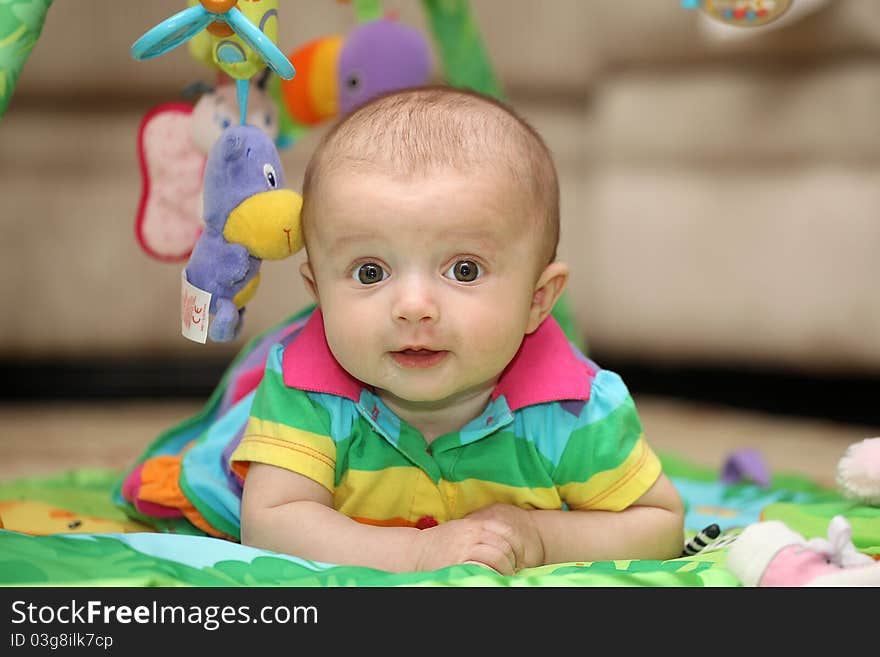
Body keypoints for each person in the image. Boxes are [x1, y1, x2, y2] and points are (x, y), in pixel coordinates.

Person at [231, 85, 684, 574]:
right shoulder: (304, 388)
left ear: (537, 301)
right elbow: (268, 523)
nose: (412, 307)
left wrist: (540, 536)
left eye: (464, 270)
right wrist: (420, 553)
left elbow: (660, 524)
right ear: (318, 292)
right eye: (370, 272)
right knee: (206, 479)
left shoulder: (573, 407)